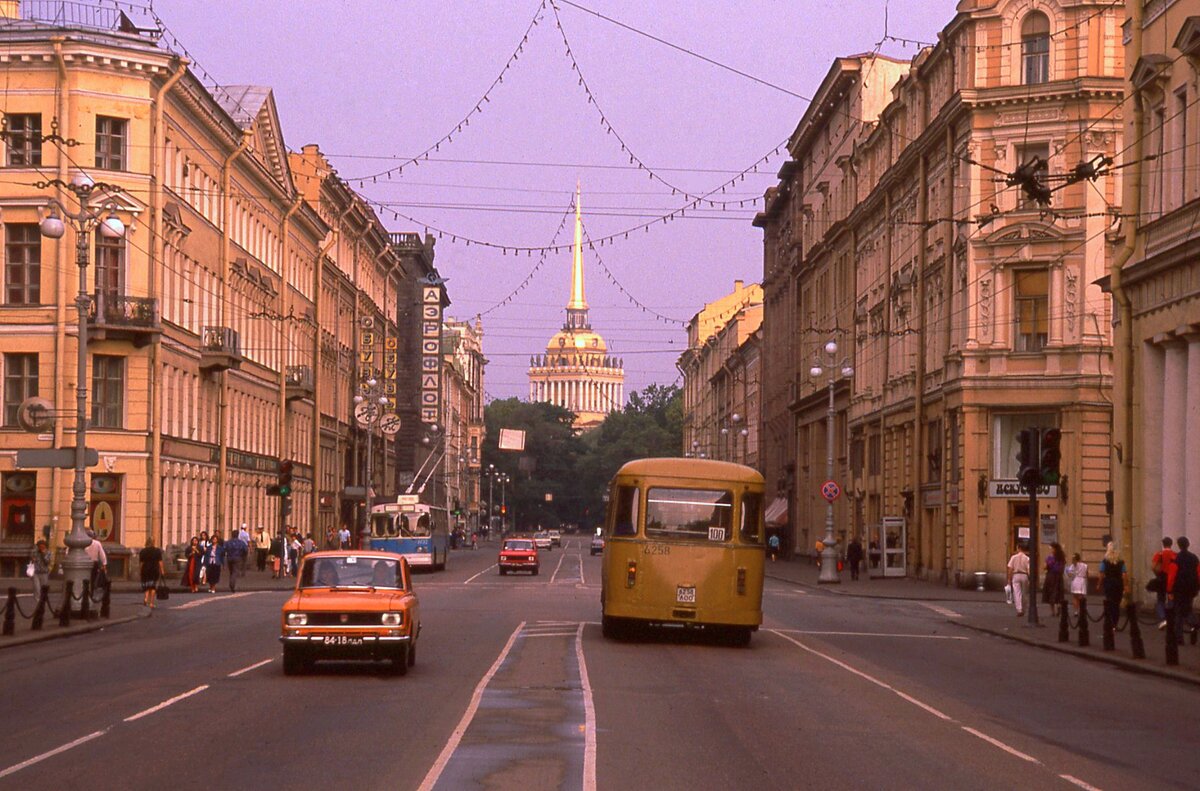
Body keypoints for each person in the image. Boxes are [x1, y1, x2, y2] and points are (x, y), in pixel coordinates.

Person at [1168, 536, 1199, 644]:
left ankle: (1179, 638)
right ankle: (1194, 623)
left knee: (1179, 612)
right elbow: (1198, 573)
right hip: (1191, 588)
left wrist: (1169, 590)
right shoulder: (1194, 558)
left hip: (1179, 588)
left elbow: (1172, 575)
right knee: (1188, 608)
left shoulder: (1176, 558)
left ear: (1179, 545)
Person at [1098, 542, 1127, 633]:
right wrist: (1126, 585)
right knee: (1116, 604)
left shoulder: (1104, 561)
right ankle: (1115, 624)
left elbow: (1102, 574)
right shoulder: (1121, 562)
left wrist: (1099, 584)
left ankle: (1110, 623)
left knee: (1109, 603)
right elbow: (1124, 574)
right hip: (1118, 584)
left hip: (1109, 584)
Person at [1152, 537, 1176, 630]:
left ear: (1163, 544)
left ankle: (1163, 618)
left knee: (1160, 599)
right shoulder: (1174, 555)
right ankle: (1171, 619)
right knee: (1171, 598)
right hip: (1171, 579)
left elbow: (1153, 567)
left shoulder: (1159, 554)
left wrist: (1157, 574)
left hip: (1161, 579)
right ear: (1171, 544)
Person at [139, 536, 165, 608]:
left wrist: (140, 571)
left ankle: (146, 599)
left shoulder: (143, 551)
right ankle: (151, 603)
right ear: (153, 542)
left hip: (145, 569)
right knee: (153, 587)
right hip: (154, 570)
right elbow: (160, 562)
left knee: (147, 585)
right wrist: (162, 570)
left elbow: (141, 563)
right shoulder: (157, 551)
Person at [1006, 542, 1030, 617]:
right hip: (1024, 575)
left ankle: (1019, 609)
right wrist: (1030, 578)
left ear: (1018, 548)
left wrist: (1009, 579)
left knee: (1017, 592)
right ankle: (1024, 608)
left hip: (1016, 574)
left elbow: (1010, 568)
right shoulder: (1027, 558)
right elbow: (1029, 569)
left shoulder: (1013, 557)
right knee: (1024, 593)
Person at [1042, 542, 1066, 616]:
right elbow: (1063, 567)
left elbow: (1045, 566)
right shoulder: (1062, 557)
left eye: (1052, 548)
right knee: (1059, 592)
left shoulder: (1050, 557)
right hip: (1059, 576)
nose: (1051, 550)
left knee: (1051, 592)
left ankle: (1052, 611)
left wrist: (1046, 566)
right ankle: (1058, 606)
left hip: (1051, 576)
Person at [84, 529, 108, 594]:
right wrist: (104, 564)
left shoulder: (83, 543)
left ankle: (85, 592)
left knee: (84, 579)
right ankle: (91, 592)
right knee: (92, 579)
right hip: (94, 563)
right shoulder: (97, 543)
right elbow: (102, 554)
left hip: (85, 563)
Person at [29, 538, 52, 603]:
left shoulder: (48, 552)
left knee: (43, 587)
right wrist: (33, 558)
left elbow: (47, 562)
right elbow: (31, 558)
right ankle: (37, 599)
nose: (41, 547)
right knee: (37, 587)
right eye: (40, 546)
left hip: (44, 572)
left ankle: (43, 599)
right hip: (36, 572)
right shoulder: (35, 552)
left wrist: (43, 554)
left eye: (43, 546)